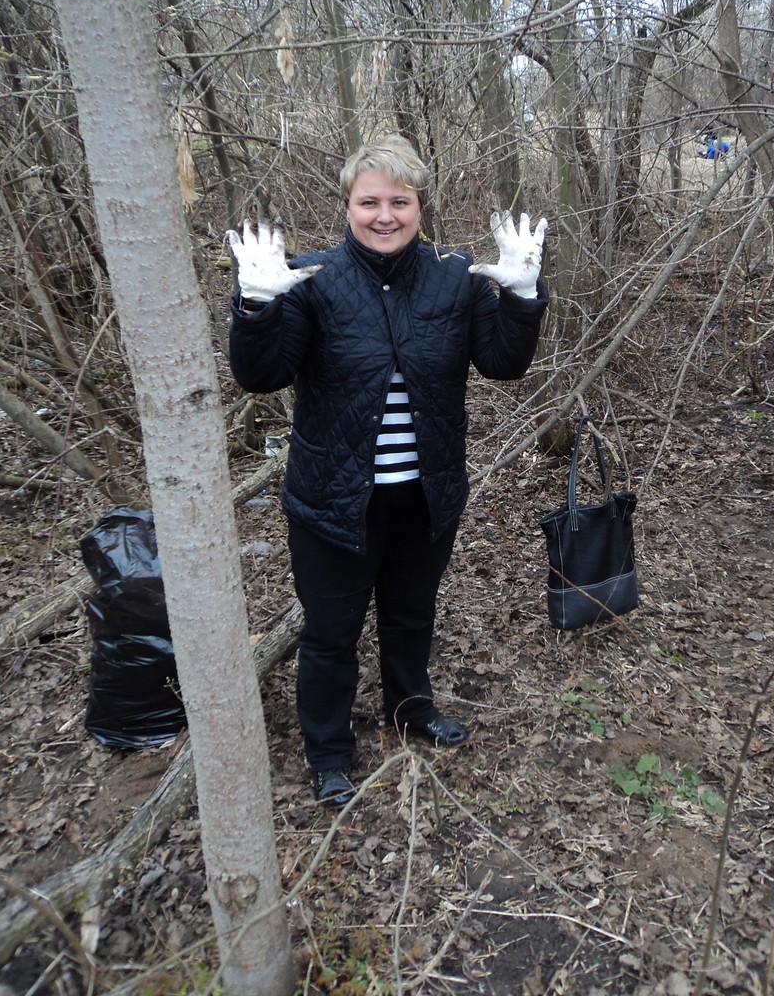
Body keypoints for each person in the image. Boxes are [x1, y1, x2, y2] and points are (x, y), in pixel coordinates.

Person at [226, 135, 548, 807]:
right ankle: (329, 750)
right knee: (330, 632)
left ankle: (410, 708)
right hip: (333, 501)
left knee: (410, 616)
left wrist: (522, 296)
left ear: (419, 206)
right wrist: (257, 306)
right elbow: (262, 375)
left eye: (399, 202)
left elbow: (504, 364)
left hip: (426, 495)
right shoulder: (309, 280)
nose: (384, 215)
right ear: (347, 206)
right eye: (369, 201)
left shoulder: (456, 278)